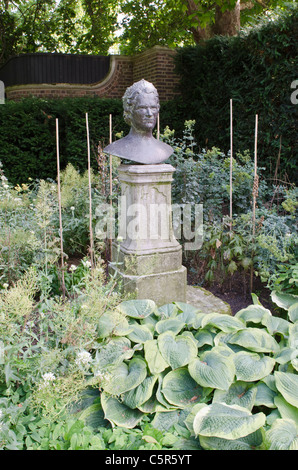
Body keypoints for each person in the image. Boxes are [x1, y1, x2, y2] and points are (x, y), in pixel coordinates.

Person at [104, 79, 173, 164]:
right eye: (142, 108)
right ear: (129, 111)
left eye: (153, 108)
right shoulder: (118, 148)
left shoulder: (165, 150)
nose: (149, 113)